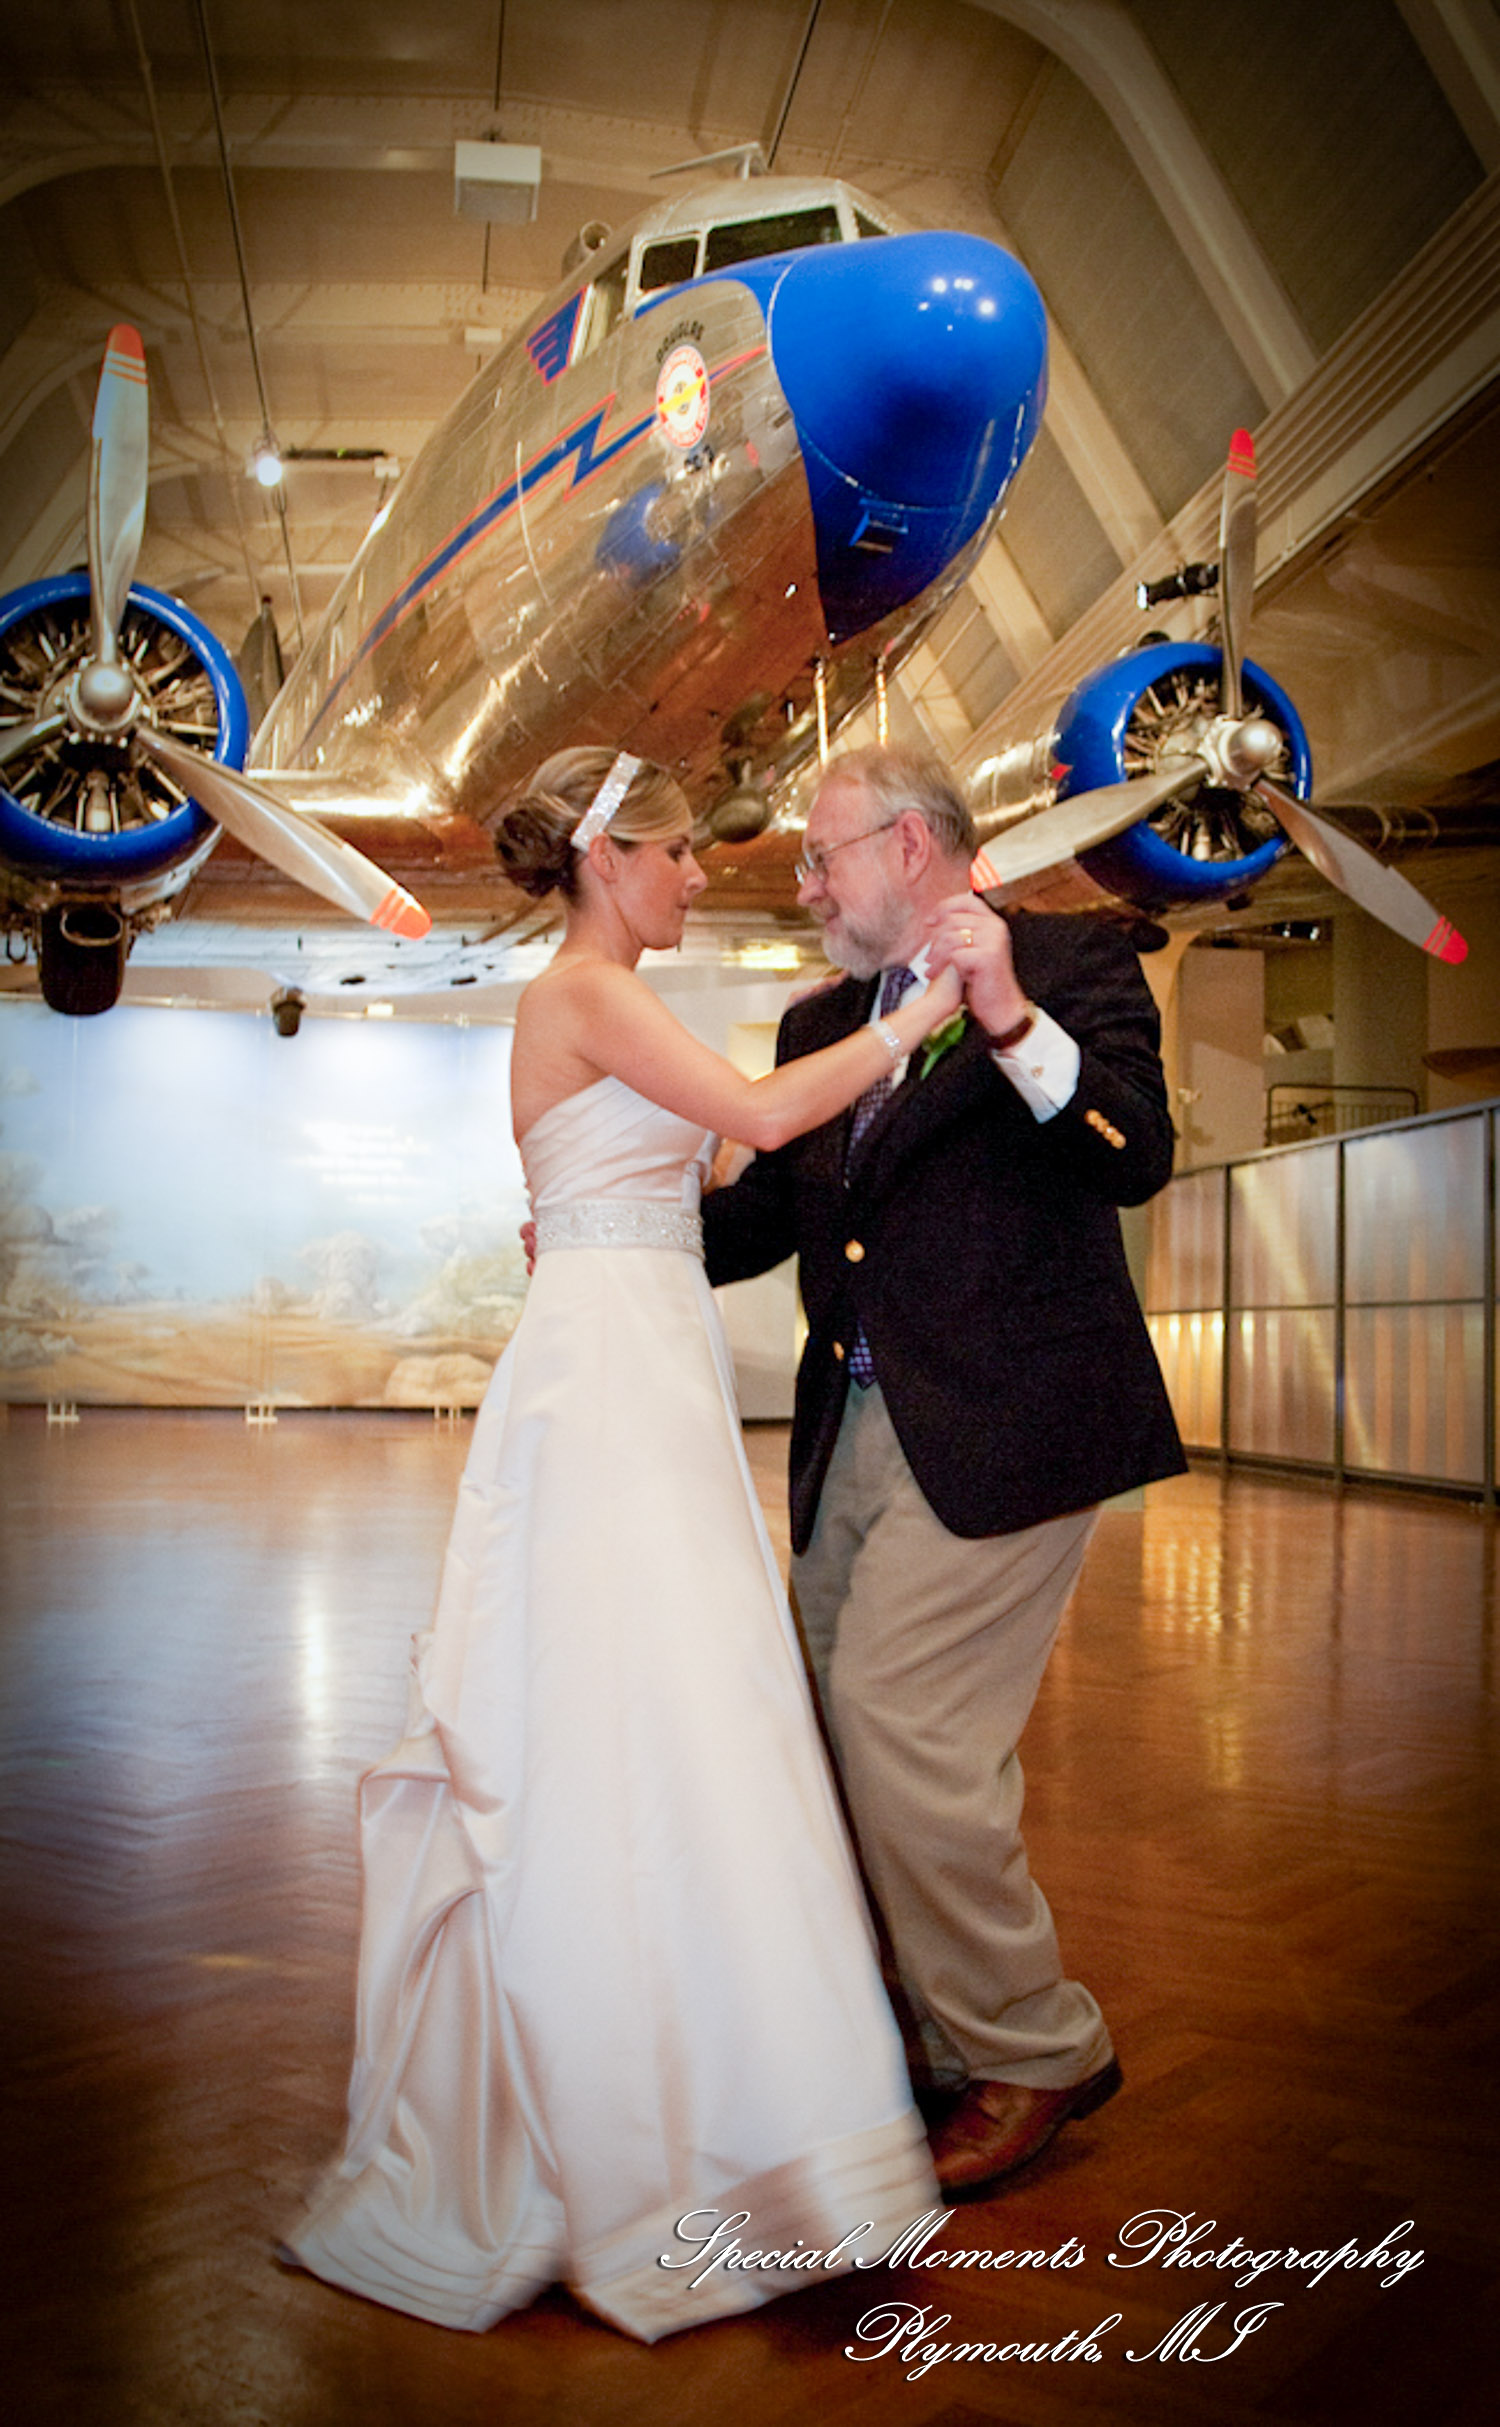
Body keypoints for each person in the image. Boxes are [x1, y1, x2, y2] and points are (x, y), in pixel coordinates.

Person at [282, 746, 970, 2341]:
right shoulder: (583, 992)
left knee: (692, 1708)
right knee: (626, 1707)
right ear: (609, 862)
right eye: (675, 855)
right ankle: (654, 2116)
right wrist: (922, 1011)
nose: (698, 876)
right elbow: (764, 1112)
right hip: (604, 1386)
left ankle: (736, 2095)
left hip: (650, 1359)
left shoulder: (617, 1005)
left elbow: (723, 1162)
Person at [702, 743, 1186, 2202]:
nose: (804, 885)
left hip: (1016, 1422)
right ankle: (920, 2032)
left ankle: (1035, 2045)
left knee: (898, 1716)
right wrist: (624, 1227)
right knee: (834, 1729)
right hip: (852, 1429)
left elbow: (1134, 1154)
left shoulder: (1073, 962)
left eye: (820, 856)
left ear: (909, 847)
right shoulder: (819, 1023)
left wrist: (1010, 1019)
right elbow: (770, 1226)